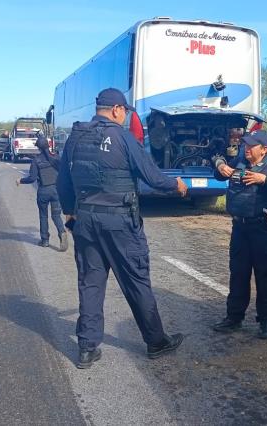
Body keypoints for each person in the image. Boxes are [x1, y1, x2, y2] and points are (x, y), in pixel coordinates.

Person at [56, 87, 189, 369]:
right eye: (125, 112)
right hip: (120, 223)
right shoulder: (123, 137)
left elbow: (63, 182)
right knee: (136, 280)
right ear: (117, 109)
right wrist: (176, 185)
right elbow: (152, 177)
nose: (125, 117)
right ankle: (155, 341)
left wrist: (71, 213)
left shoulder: (75, 137)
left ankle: (87, 348)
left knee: (90, 282)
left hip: (86, 220)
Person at [211, 130, 267, 339]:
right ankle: (234, 317)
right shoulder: (239, 160)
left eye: (251, 146)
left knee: (265, 275)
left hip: (263, 229)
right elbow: (217, 159)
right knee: (238, 273)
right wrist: (221, 167)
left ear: (264, 149)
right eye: (245, 145)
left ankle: (266, 320)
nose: (246, 149)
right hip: (240, 228)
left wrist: (264, 180)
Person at [16, 134, 68, 251]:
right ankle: (62, 232)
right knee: (56, 216)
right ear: (49, 145)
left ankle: (45, 241)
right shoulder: (56, 157)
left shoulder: (36, 160)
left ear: (38, 147)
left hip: (43, 191)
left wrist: (20, 180)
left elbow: (32, 179)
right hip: (56, 190)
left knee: (43, 216)